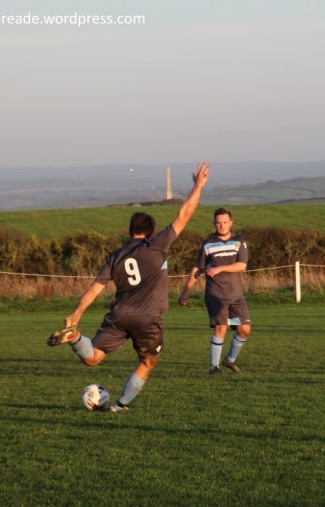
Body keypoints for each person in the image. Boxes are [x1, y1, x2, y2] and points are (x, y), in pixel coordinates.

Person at [47, 162, 210, 412]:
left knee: (93, 358)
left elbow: (95, 288)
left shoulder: (115, 256)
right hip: (147, 318)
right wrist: (198, 186)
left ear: (130, 231)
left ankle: (76, 338)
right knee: (148, 361)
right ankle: (120, 405)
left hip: (119, 316)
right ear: (150, 232)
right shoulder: (156, 245)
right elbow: (184, 213)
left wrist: (77, 314)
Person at [178, 207, 252, 375]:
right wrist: (186, 290)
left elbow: (242, 265)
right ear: (214, 224)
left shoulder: (239, 241)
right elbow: (198, 268)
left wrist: (220, 268)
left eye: (225, 222)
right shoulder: (207, 244)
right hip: (216, 294)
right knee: (221, 327)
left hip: (236, 295)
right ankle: (214, 367)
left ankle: (230, 360)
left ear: (231, 223)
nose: (222, 225)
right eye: (218, 223)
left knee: (244, 330)